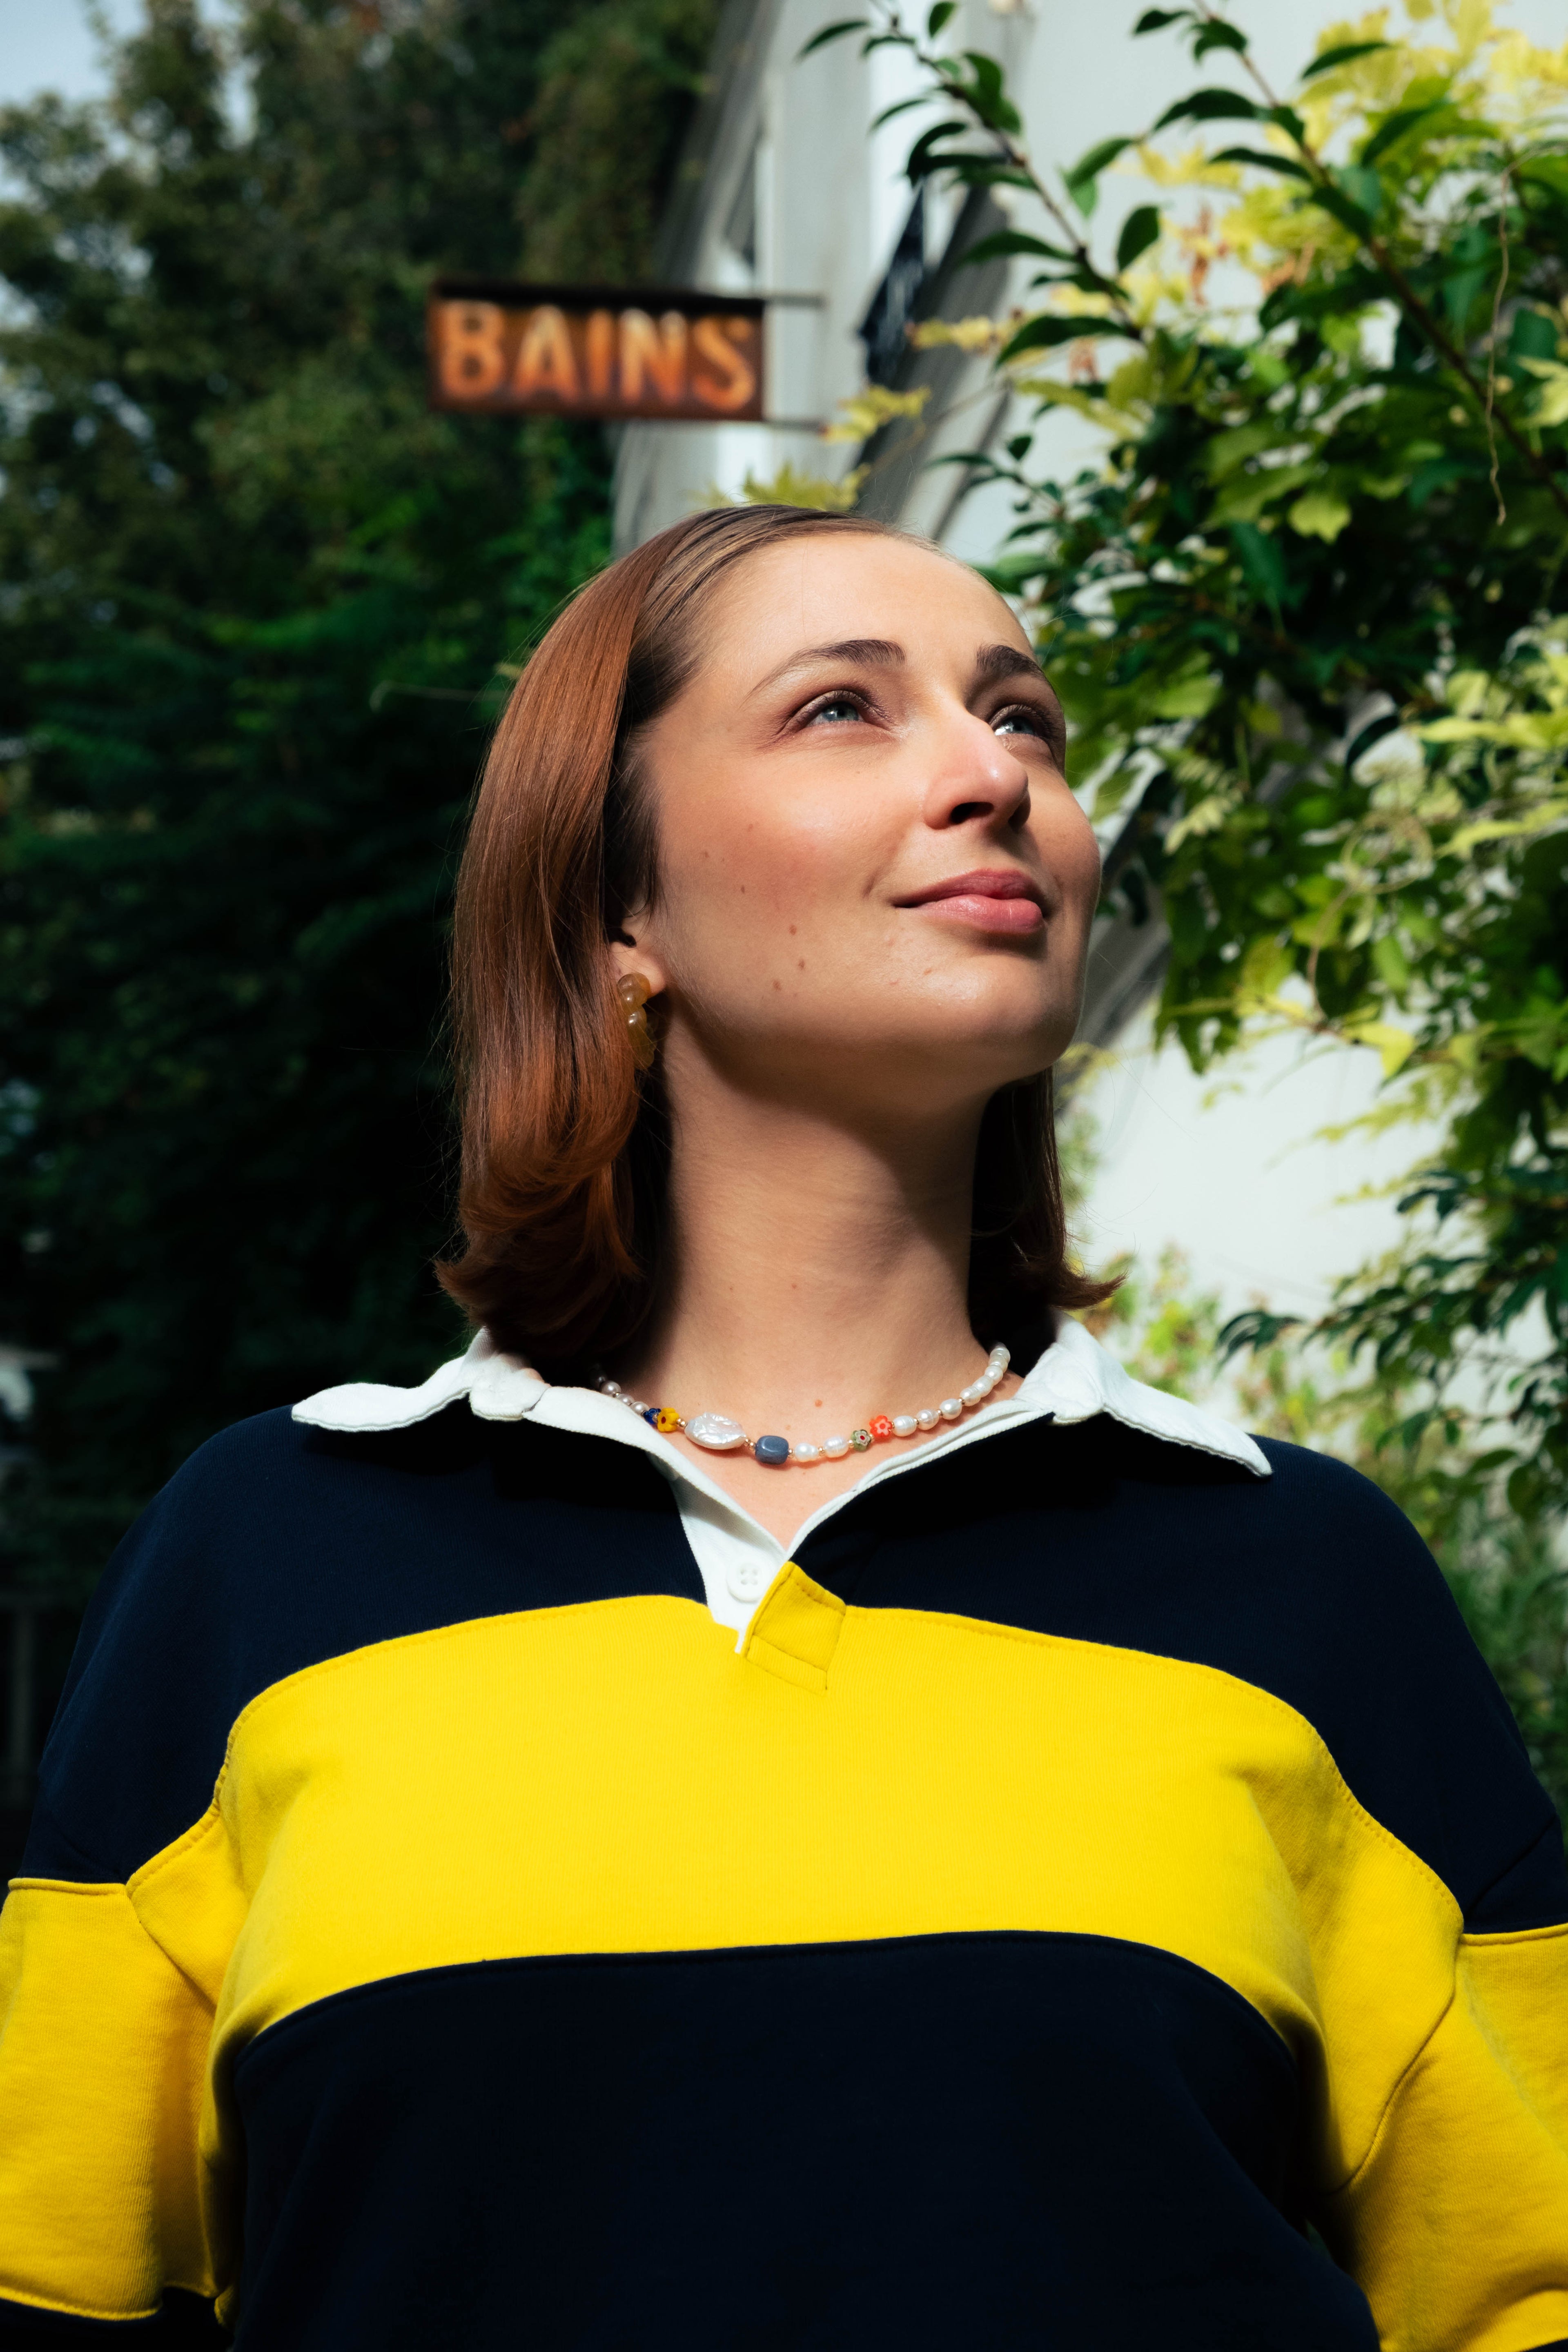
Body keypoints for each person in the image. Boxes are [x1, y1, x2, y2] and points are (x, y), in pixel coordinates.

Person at [0, 504, 1564, 2351]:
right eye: (845, 708)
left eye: (1026, 719)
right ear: (617, 904)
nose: (994, 775)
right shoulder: (262, 1555)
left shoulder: (1308, 1583)